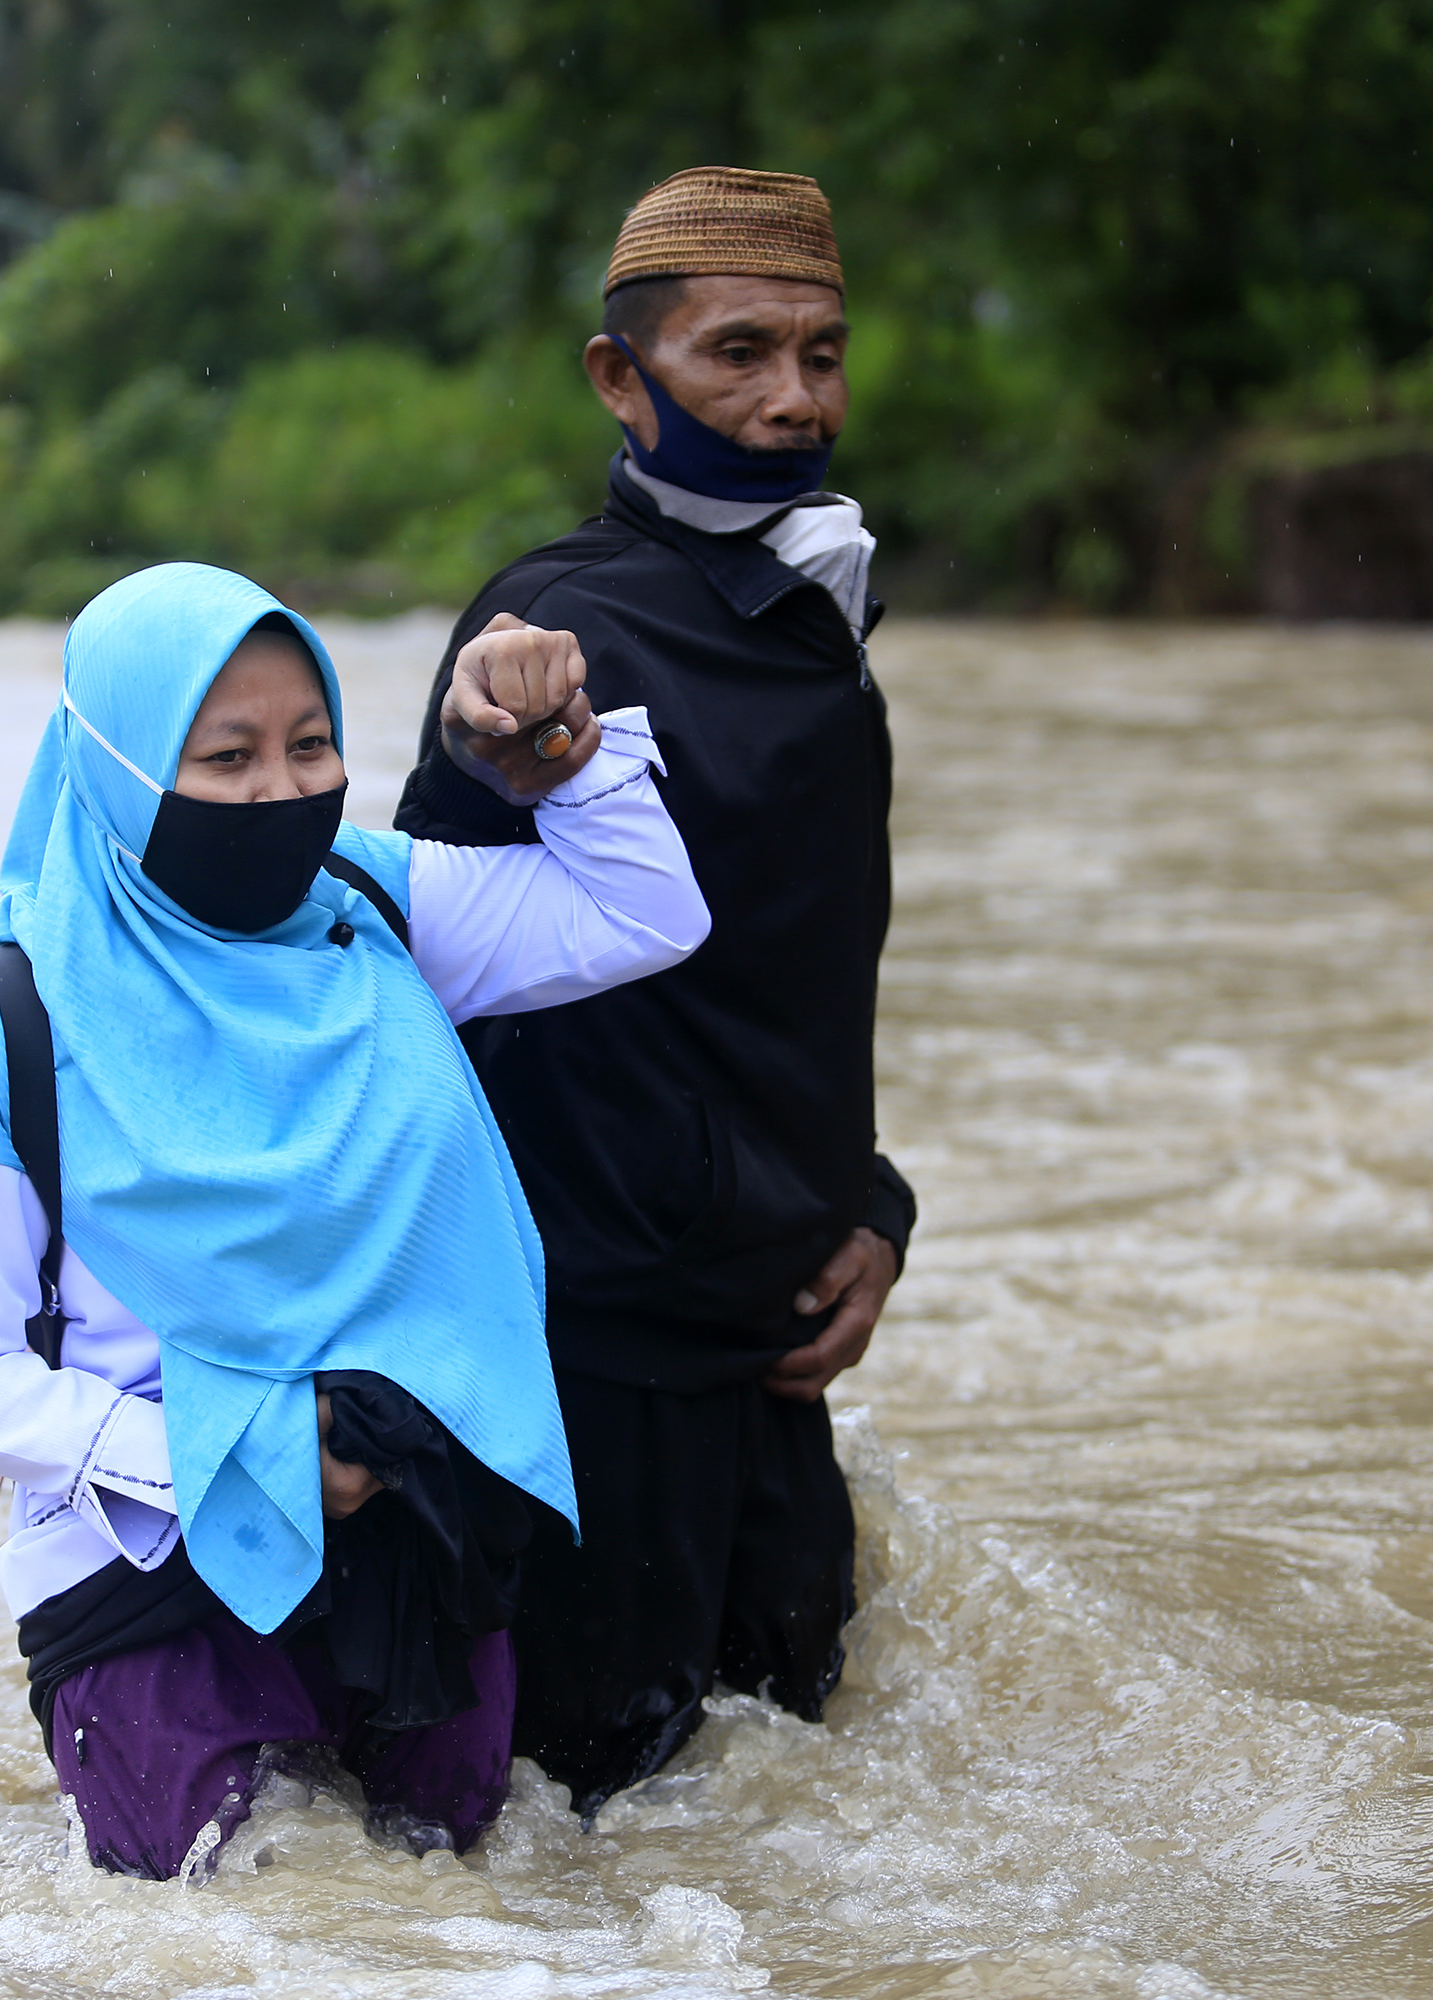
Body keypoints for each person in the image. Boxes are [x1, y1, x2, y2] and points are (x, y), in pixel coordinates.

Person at [0, 561, 710, 1875]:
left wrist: (561, 764)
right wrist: (222, 1449)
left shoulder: (365, 904)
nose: (281, 792)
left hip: (420, 1528)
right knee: (252, 1923)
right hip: (145, 1576)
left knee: (454, 1919)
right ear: (120, 766)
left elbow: (643, 909)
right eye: (227, 756)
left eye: (311, 744)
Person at [392, 167, 911, 1814]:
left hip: (778, 1339)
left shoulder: (814, 618)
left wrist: (873, 1201)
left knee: (803, 1802)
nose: (789, 401)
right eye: (737, 353)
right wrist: (507, 733)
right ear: (621, 380)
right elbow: (434, 956)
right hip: (598, 1357)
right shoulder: (565, 623)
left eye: (821, 355)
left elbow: (802, 974)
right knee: (591, 1842)